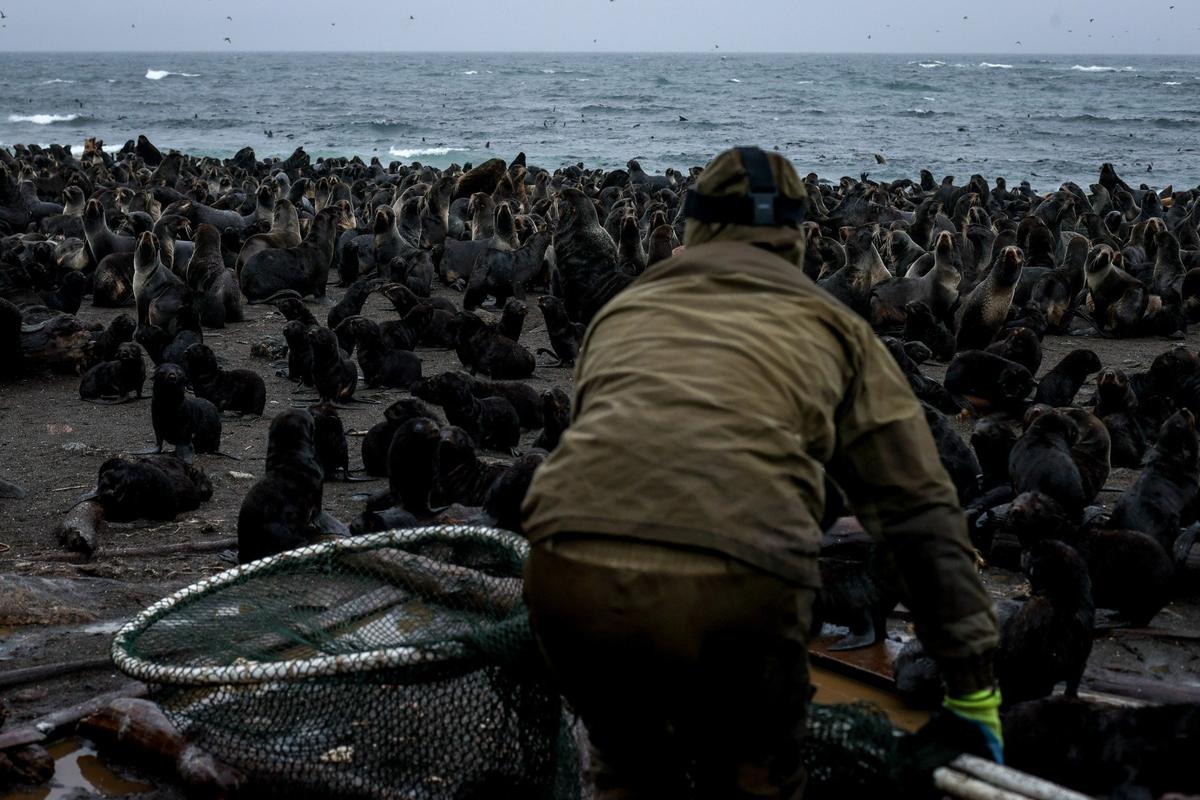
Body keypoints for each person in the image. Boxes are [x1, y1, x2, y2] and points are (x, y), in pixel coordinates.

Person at [521, 147, 1002, 799]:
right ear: (794, 233)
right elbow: (918, 509)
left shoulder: (622, 313)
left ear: (695, 224)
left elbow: (601, 449)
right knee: (755, 772)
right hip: (738, 584)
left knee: (627, 768)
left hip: (567, 573)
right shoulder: (833, 325)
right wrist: (973, 689)